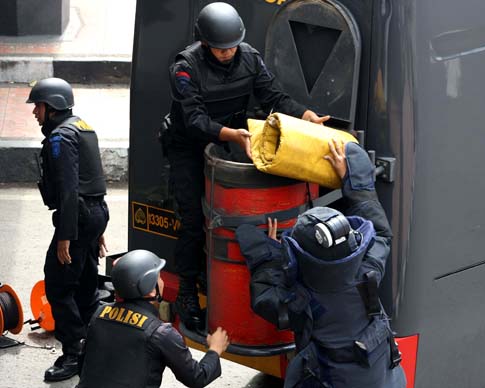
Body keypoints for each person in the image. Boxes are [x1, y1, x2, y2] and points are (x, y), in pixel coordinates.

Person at [163, 1, 330, 332]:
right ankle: (187, 292)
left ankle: (227, 283)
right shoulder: (185, 68)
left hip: (233, 139)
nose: (227, 53)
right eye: (219, 49)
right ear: (205, 43)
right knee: (194, 220)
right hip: (190, 146)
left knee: (232, 217)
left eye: (231, 47)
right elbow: (194, 119)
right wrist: (232, 136)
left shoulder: (250, 57)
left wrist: (304, 113)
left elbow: (273, 96)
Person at [235, 140, 407, 387]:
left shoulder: (302, 300)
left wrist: (269, 253)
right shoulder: (367, 271)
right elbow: (381, 234)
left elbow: (264, 298)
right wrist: (355, 179)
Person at [26, 77, 110, 382]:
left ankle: (74, 352)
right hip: (96, 213)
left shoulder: (61, 138)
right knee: (87, 282)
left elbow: (69, 191)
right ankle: (92, 343)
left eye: (38, 105)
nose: (35, 112)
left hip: (78, 218)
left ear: (53, 106)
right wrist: (96, 228)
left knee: (59, 286)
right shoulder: (84, 127)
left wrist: (65, 236)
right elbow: (95, 179)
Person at [77, 250, 230, 388]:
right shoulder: (160, 333)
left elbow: (83, 366)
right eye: (159, 277)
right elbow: (197, 378)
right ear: (150, 290)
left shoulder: (99, 313)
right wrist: (215, 349)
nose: (162, 281)